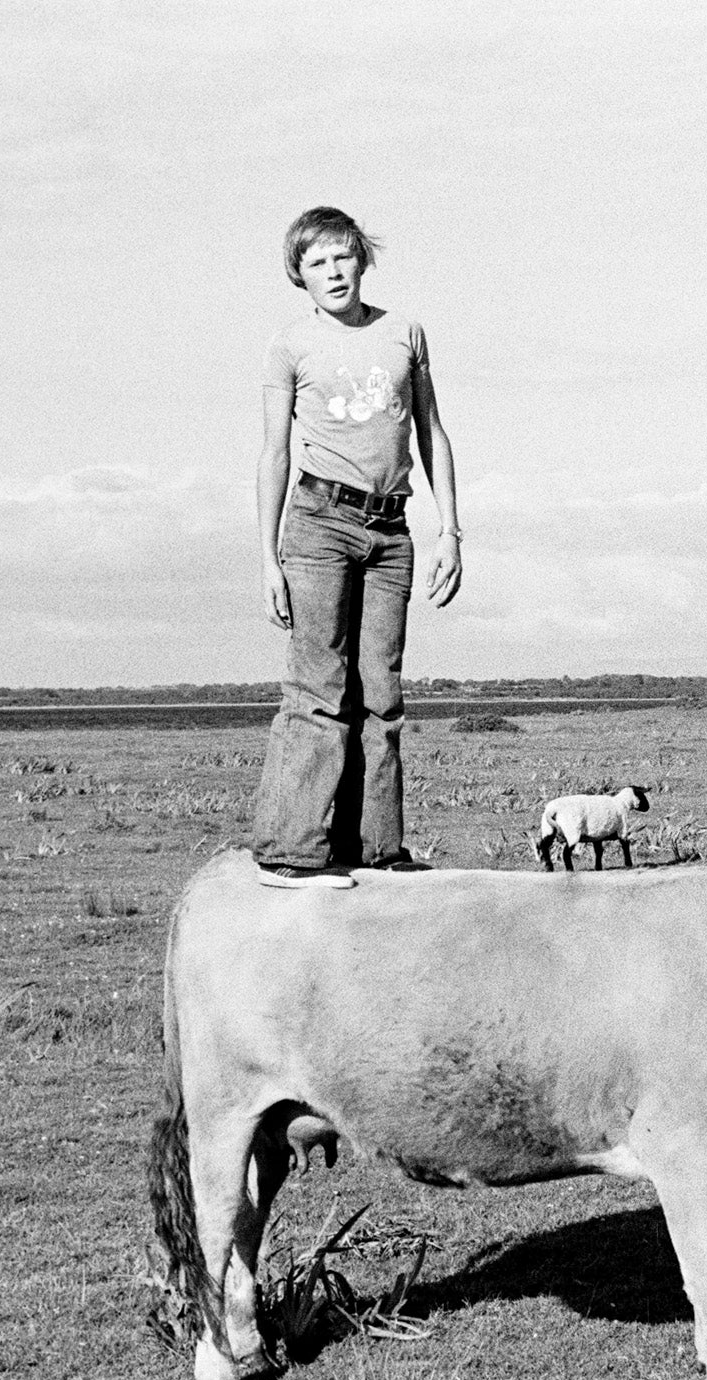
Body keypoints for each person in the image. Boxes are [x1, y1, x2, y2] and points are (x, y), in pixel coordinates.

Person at [248, 207, 462, 889]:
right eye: (317, 263)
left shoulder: (404, 333)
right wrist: (267, 558)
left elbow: (431, 433)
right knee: (319, 687)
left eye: (343, 257)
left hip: (391, 529)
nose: (334, 272)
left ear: (363, 260)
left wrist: (449, 530)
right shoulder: (290, 347)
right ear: (299, 276)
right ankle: (292, 852)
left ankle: (375, 851)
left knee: (382, 695)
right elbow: (274, 453)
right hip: (317, 524)